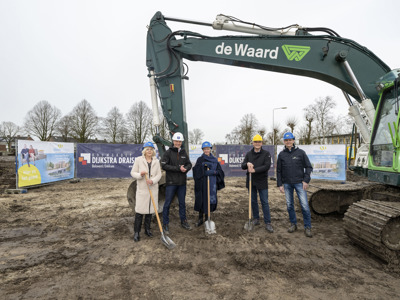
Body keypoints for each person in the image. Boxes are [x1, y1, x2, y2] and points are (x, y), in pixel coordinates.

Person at [277, 132, 313, 238]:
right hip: (287, 184)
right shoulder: (281, 154)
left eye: (290, 140)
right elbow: (279, 171)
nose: (288, 142)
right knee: (289, 205)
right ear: (284, 141)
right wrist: (280, 184)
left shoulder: (301, 153)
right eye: (286, 140)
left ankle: (308, 227)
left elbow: (309, 167)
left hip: (299, 183)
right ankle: (293, 224)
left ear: (293, 140)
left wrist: (306, 180)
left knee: (305, 206)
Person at [161, 132, 192, 233]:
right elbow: (164, 165)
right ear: (173, 141)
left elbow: (189, 164)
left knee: (182, 203)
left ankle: (183, 221)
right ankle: (165, 224)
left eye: (179, 141)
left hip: (182, 183)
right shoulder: (168, 152)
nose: (178, 143)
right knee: (167, 204)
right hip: (171, 183)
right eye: (176, 141)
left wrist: (186, 168)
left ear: (181, 142)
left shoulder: (183, 152)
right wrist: (178, 168)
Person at [130, 141, 162, 242]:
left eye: (151, 149)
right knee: (139, 212)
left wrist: (153, 180)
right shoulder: (138, 160)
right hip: (142, 191)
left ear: (153, 151)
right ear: (144, 150)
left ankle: (147, 230)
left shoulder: (156, 161)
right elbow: (133, 173)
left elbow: (159, 175)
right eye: (147, 149)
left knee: (149, 212)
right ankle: (136, 232)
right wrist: (140, 175)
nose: (149, 151)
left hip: (153, 189)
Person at [241, 134, 273, 233]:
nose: (257, 143)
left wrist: (254, 170)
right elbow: (243, 166)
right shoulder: (249, 154)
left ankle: (268, 222)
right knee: (253, 201)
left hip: (262, 181)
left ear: (261, 143)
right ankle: (256, 219)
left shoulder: (266, 154)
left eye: (259, 142)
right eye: (255, 142)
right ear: (253, 143)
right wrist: (247, 164)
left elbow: (267, 166)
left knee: (264, 202)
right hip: (251, 181)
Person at [192, 141, 225, 227]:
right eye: (205, 149)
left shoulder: (215, 160)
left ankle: (207, 218)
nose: (207, 150)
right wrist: (204, 172)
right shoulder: (200, 159)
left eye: (208, 149)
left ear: (210, 149)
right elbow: (196, 171)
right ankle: (200, 219)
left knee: (209, 201)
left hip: (212, 185)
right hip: (203, 184)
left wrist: (213, 172)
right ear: (203, 150)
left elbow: (220, 172)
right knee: (202, 200)